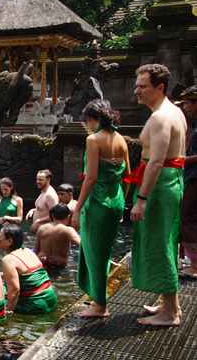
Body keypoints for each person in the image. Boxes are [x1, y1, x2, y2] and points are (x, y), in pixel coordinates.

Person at [129, 64, 186, 326]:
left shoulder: (161, 117)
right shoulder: (174, 111)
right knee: (166, 240)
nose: (136, 91)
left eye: (143, 86)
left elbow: (156, 161)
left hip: (159, 186)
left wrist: (141, 199)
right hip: (169, 182)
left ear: (160, 87)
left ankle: (170, 313)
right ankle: (168, 302)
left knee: (160, 242)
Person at [71, 99, 130, 318]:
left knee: (94, 252)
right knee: (104, 252)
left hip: (97, 204)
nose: (86, 126)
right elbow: (128, 176)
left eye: (86, 121)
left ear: (92, 119)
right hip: (115, 202)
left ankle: (100, 305)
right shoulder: (121, 139)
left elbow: (91, 178)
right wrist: (123, 203)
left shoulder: (93, 140)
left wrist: (77, 209)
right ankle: (98, 298)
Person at [0, 225, 57, 314]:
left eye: (0, 237)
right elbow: (29, 274)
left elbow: (15, 289)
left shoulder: (8, 259)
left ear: (10, 241)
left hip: (35, 305)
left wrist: (7, 311)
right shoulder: (28, 251)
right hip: (51, 299)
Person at [178, 86, 197, 278]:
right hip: (191, 176)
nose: (185, 107)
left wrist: (179, 160)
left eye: (187, 103)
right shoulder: (194, 126)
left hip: (195, 178)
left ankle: (195, 265)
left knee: (188, 218)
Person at [35, 204, 80, 269]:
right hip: (58, 265)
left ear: (52, 215)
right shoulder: (68, 230)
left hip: (42, 263)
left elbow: (36, 250)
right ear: (68, 216)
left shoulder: (41, 228)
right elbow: (81, 244)